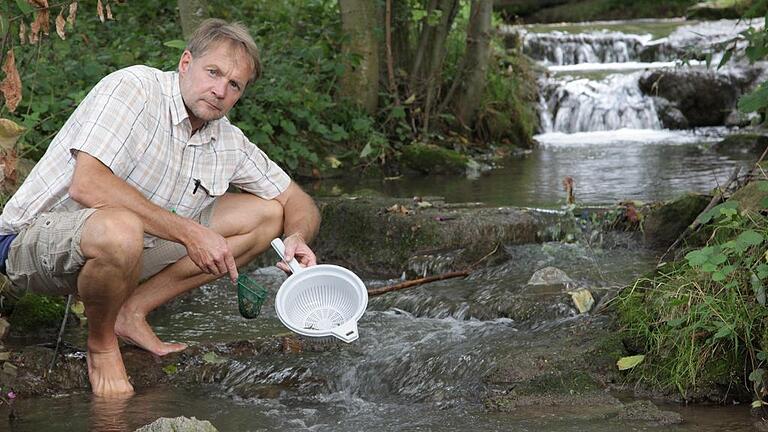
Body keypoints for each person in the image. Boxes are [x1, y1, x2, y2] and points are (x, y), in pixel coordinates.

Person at [0, 19, 320, 397]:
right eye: (213, 72)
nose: (219, 90)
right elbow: (87, 183)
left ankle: (130, 313)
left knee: (267, 216)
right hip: (31, 242)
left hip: (127, 250)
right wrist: (190, 232)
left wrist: (296, 236)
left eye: (234, 85)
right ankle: (101, 344)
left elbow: (298, 201)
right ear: (186, 63)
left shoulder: (227, 141)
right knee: (122, 229)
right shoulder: (134, 89)